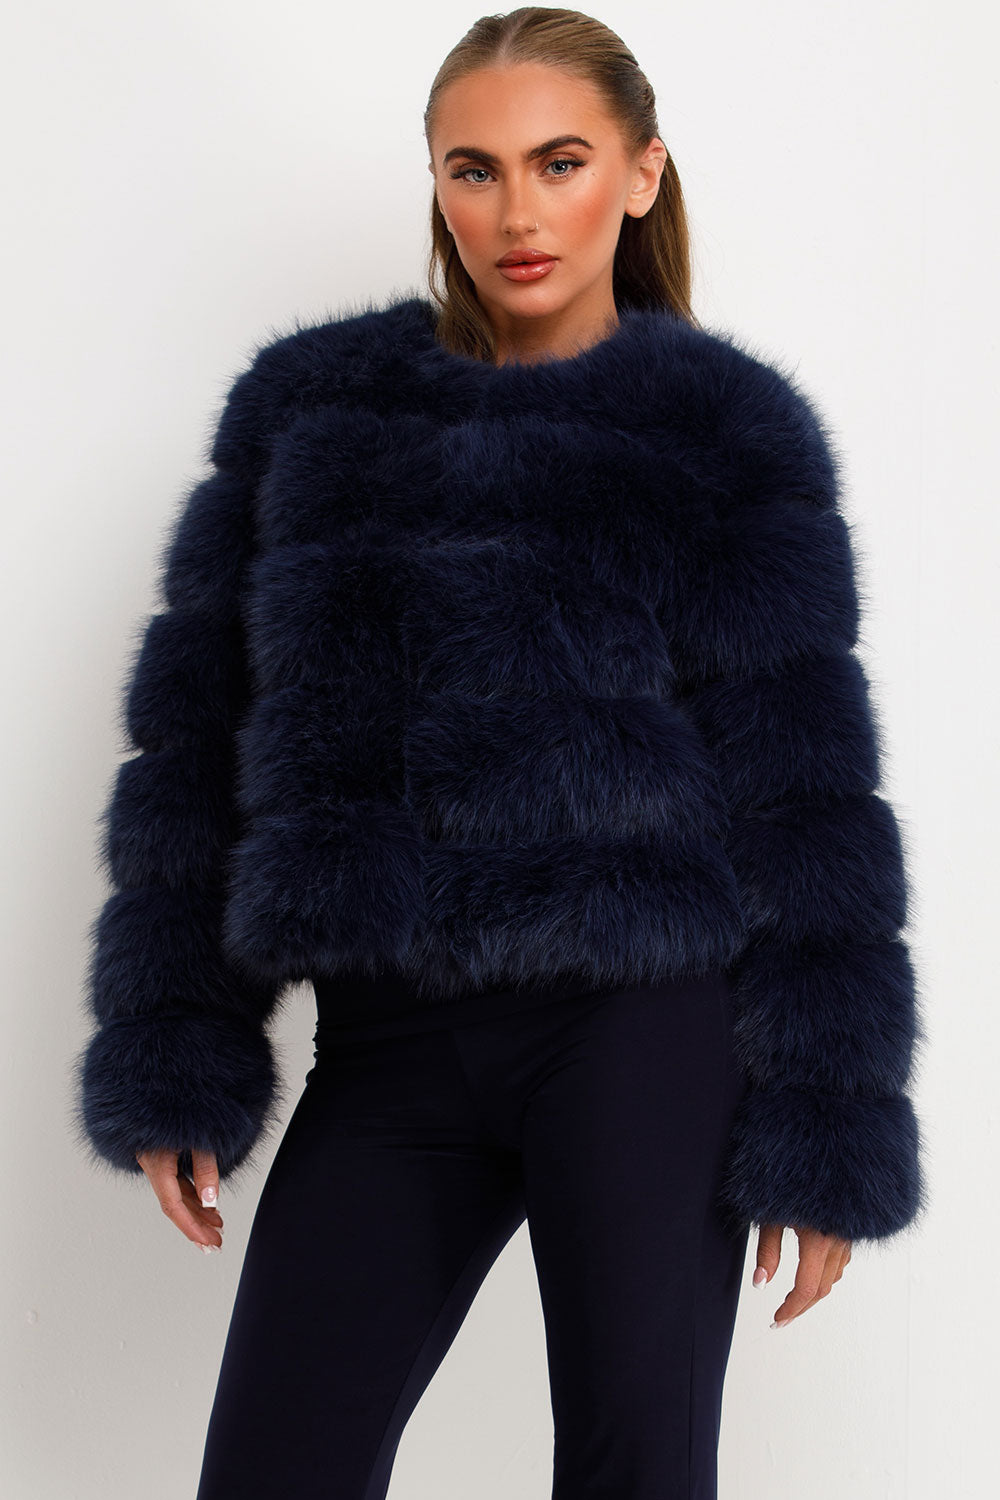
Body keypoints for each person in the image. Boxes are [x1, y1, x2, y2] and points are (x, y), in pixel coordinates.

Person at [71, 8, 926, 1498]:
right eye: (475, 169)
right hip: (387, 1042)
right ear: (437, 185)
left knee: (635, 1470)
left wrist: (827, 1116)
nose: (518, 212)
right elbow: (198, 742)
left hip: (640, 1034)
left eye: (560, 161)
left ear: (642, 175)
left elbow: (803, 793)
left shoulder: (723, 430)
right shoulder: (311, 414)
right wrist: (180, 1042)